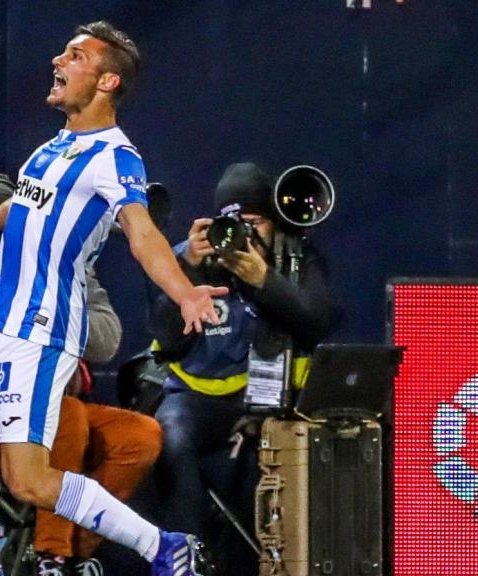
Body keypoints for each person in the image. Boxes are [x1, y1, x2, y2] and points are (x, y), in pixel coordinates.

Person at [0, 21, 226, 576]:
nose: (58, 60)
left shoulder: (116, 158)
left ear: (107, 81)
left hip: (39, 334)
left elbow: (141, 234)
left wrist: (184, 292)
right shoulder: (52, 148)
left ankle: (163, 546)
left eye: (75, 55)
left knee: (29, 479)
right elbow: (31, 204)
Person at [0, 173, 164, 575]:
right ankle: (52, 556)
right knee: (67, 420)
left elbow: (107, 341)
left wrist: (48, 298)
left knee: (139, 437)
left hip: (50, 406)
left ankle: (77, 551)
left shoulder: (57, 267)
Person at [150, 162, 342, 574]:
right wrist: (188, 274)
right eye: (233, 223)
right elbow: (167, 340)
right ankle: (186, 560)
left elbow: (318, 323)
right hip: (197, 398)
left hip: (272, 397)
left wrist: (264, 280)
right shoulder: (186, 258)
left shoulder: (295, 260)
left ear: (275, 222)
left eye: (254, 223)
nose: (244, 234)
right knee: (171, 436)